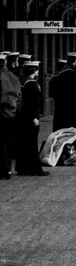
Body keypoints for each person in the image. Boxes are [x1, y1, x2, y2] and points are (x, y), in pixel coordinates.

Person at [16, 61, 47, 176]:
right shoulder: (33, 84)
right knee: (32, 143)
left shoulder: (21, 82)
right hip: (30, 117)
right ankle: (35, 168)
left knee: (23, 143)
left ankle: (22, 167)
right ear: (35, 70)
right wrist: (34, 117)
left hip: (21, 117)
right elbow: (33, 103)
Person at [0, 52, 21, 180]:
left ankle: (2, 169)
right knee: (8, 140)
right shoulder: (13, 77)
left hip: (0, 111)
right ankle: (7, 169)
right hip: (11, 113)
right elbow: (19, 96)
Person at [51, 52, 76, 132]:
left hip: (59, 107)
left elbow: (52, 92)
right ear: (75, 61)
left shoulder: (56, 74)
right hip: (71, 108)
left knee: (59, 129)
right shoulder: (74, 75)